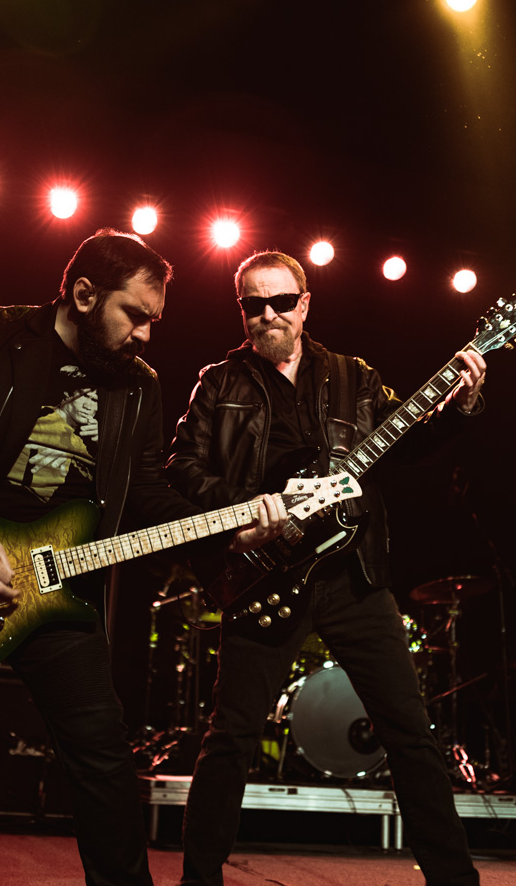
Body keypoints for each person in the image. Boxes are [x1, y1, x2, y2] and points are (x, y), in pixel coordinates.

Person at [0, 230, 283, 886]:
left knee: (104, 760)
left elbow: (148, 500)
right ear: (81, 294)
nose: (145, 336)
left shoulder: (137, 387)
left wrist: (235, 524)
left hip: (58, 593)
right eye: (134, 315)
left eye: (154, 322)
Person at [166, 250, 487, 886]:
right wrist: (240, 515)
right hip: (264, 575)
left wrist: (461, 402)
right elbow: (179, 470)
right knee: (229, 739)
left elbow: (412, 441)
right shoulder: (219, 383)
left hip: (355, 578)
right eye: (252, 305)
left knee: (411, 736)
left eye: (281, 302)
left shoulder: (352, 375)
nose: (267, 315)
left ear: (305, 304)